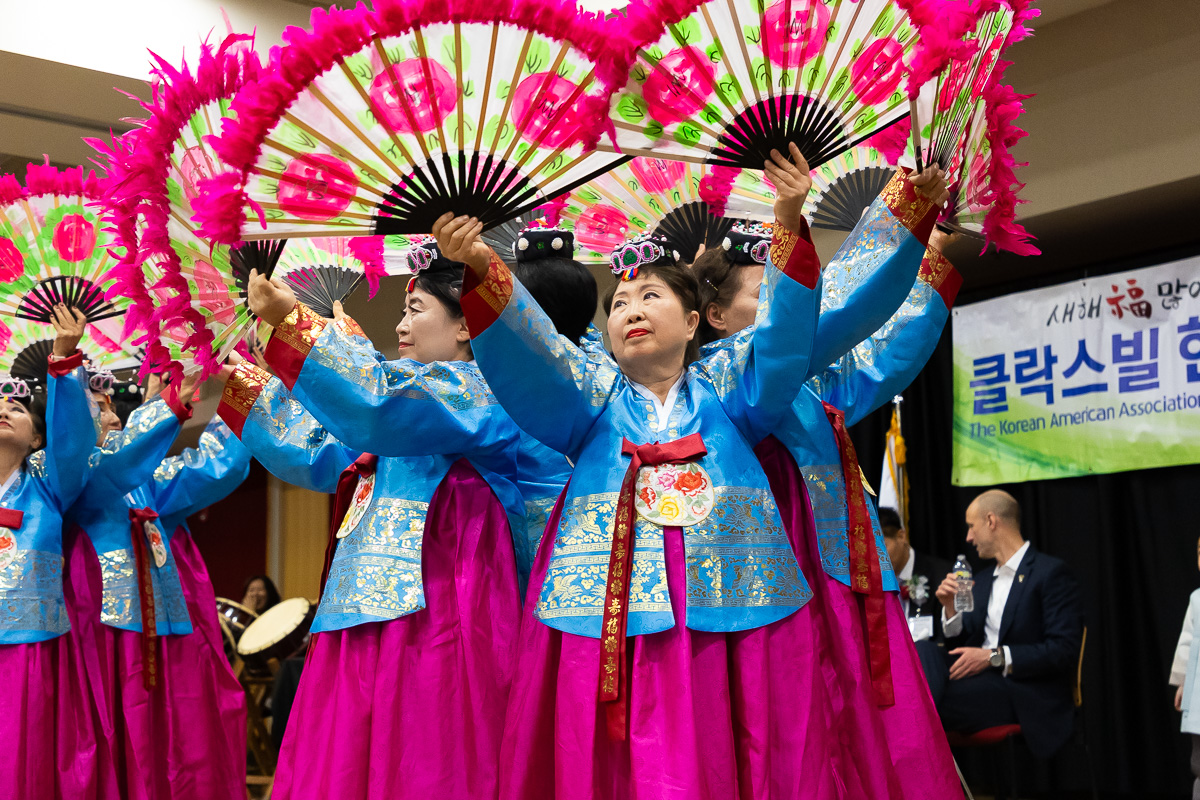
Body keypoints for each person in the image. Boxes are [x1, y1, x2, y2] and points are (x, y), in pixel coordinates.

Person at [435, 144, 848, 798]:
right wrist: (483, 265)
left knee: (741, 751)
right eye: (620, 301)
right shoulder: (590, 400)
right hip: (611, 618)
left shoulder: (731, 389)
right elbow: (535, 354)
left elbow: (780, 339)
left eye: (650, 294)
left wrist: (789, 220)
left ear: (693, 322)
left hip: (730, 611)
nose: (630, 308)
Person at [692, 169, 962, 796]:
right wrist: (903, 214)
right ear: (715, 316)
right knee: (786, 730)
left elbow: (881, 358)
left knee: (855, 721)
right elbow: (832, 303)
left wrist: (926, 256)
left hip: (832, 563)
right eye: (766, 290)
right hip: (770, 572)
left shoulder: (804, 378)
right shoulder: (718, 377)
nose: (784, 300)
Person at [65, 366, 252, 800]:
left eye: (113, 407)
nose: (112, 415)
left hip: (163, 638)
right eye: (98, 408)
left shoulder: (149, 485)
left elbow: (219, 466)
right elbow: (117, 465)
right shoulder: (68, 481)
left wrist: (243, 390)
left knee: (172, 747)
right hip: (101, 636)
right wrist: (157, 405)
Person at [0, 305, 102, 800]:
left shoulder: (47, 485)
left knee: (23, 765)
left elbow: (72, 444)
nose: (4, 410)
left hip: (29, 649)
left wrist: (62, 360)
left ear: (37, 438)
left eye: (17, 408)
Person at [928, 489, 1084, 758]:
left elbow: (1062, 651)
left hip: (1022, 691)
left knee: (922, 706)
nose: (968, 537)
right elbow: (961, 645)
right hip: (977, 685)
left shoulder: (1049, 573)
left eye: (971, 526)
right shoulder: (982, 580)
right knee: (924, 650)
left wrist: (993, 657)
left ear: (991, 521)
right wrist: (950, 610)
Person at [879, 506, 952, 640]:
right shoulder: (867, 584)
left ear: (901, 536)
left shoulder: (941, 575)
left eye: (881, 547)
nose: (877, 557)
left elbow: (950, 639)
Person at [1170, 535, 1200, 799]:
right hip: (1198, 694)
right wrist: (1182, 682)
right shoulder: (1197, 599)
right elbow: (1187, 642)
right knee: (1198, 763)